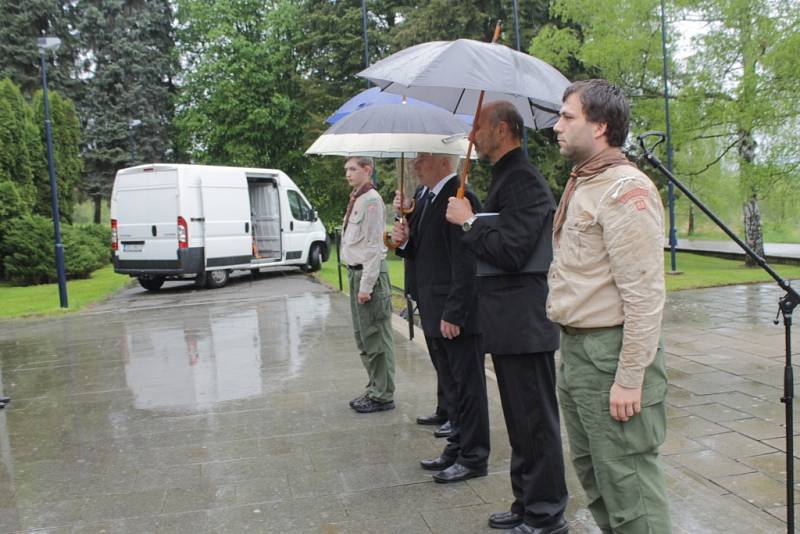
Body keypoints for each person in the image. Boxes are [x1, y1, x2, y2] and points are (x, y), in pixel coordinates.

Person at [548, 79, 670, 533]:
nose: (556, 126)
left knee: (629, 484)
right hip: (578, 354)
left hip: (610, 355)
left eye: (567, 117)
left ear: (599, 126)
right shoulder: (586, 184)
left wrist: (630, 377)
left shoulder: (624, 190)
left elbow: (645, 295)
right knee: (597, 478)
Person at [446, 101, 569, 534]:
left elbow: (514, 252)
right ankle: (527, 502)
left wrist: (469, 223)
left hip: (525, 324)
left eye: (477, 127)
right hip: (510, 324)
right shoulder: (506, 176)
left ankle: (546, 515)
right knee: (520, 421)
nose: (471, 136)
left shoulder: (523, 180)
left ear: (502, 129)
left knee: (535, 422)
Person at [393, 152, 489, 483]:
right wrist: (404, 241)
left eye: (423, 159)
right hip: (435, 308)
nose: (416, 165)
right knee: (452, 387)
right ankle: (457, 448)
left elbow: (466, 262)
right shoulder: (429, 198)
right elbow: (424, 252)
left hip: (453, 313)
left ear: (444, 163)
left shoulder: (459, 196)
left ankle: (474, 456)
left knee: (468, 388)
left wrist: (455, 311)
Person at [395, 185, 452, 437]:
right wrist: (405, 216)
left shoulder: (454, 194)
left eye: (422, 158)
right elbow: (416, 241)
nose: (416, 163)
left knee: (450, 362)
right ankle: (445, 408)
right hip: (423, 288)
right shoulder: (420, 195)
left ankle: (455, 413)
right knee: (437, 358)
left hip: (442, 294)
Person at [341, 156, 395, 413]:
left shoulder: (372, 201)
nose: (348, 174)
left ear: (367, 169)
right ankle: (375, 387)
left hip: (368, 275)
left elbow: (374, 246)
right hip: (356, 274)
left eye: (353, 169)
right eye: (346, 169)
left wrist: (366, 286)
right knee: (363, 337)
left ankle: (383, 395)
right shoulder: (358, 198)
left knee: (375, 336)